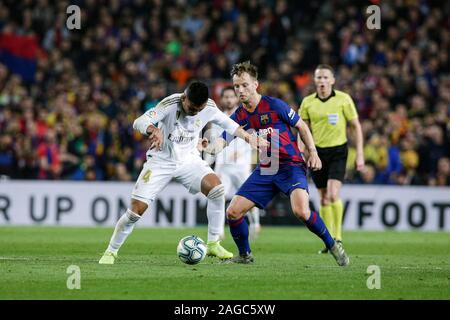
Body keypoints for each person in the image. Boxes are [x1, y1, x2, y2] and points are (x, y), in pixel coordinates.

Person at [99, 81, 268, 264]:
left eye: (198, 109)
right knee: (135, 212)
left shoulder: (209, 107)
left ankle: (213, 243)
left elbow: (231, 125)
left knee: (217, 189)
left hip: (189, 160)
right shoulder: (170, 104)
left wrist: (250, 138)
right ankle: (111, 251)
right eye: (192, 108)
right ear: (184, 98)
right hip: (161, 161)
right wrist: (153, 129)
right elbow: (139, 122)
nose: (195, 112)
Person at [207, 61, 349, 266]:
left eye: (244, 85)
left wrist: (313, 153)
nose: (240, 90)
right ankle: (245, 255)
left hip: (290, 166)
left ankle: (333, 244)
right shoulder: (240, 114)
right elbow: (223, 140)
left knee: (301, 211)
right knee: (233, 212)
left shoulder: (274, 105)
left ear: (255, 84)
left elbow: (302, 126)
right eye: (236, 86)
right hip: (266, 168)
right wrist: (206, 147)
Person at [299, 64, 365, 254]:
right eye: (319, 78)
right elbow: (303, 129)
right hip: (317, 153)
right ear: (315, 80)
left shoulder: (344, 99)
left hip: (338, 151)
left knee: (333, 194)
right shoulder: (308, 102)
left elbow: (356, 127)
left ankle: (338, 238)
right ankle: (329, 241)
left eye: (325, 77)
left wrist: (359, 153)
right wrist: (300, 151)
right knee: (324, 198)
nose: (322, 81)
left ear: (333, 80)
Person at [205, 86, 261, 240]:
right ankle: (218, 231)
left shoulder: (245, 116)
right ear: (222, 99)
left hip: (241, 166)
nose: (229, 99)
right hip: (223, 166)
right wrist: (206, 164)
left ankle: (255, 223)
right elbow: (213, 142)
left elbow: (253, 140)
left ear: (236, 98)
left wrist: (247, 158)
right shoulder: (216, 119)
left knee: (248, 197)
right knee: (217, 196)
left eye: (231, 96)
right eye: (226, 97)